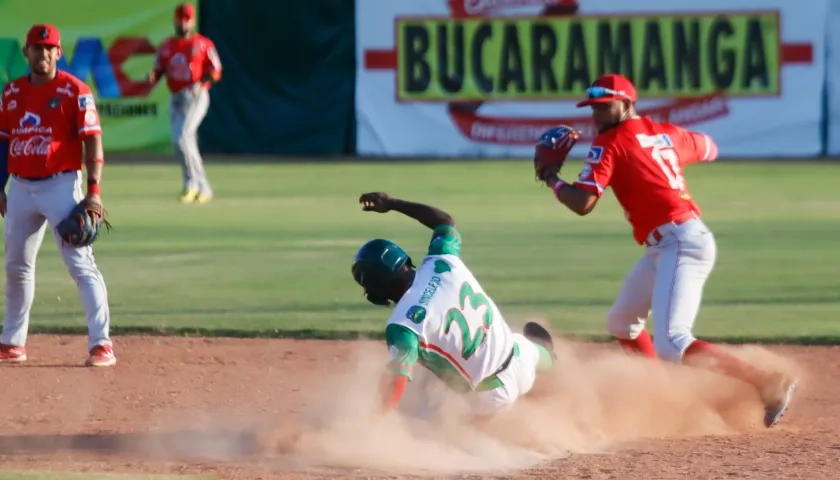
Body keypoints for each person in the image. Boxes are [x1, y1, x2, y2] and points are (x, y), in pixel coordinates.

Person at [534, 73, 796, 428]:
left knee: (673, 341)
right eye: (592, 107)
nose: (596, 114)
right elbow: (708, 147)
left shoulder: (609, 143)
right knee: (622, 322)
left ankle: (768, 383)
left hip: (679, 242)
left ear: (627, 103)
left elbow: (582, 203)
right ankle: (660, 392)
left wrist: (552, 176)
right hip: (671, 242)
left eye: (603, 105)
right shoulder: (667, 133)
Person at [351, 192, 556, 419]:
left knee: (424, 421)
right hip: (520, 359)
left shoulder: (403, 325)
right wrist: (392, 203)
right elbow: (444, 221)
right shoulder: (442, 261)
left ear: (377, 291)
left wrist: (375, 423)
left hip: (489, 399)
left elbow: (396, 379)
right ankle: (546, 355)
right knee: (525, 348)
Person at [0, 24, 115, 367]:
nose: (43, 53)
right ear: (27, 53)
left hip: (60, 185)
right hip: (20, 187)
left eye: (49, 48)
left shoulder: (74, 91)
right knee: (17, 267)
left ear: (59, 53)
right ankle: (12, 341)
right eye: (37, 47)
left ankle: (101, 343)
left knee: (80, 264)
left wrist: (93, 192)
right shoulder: (11, 93)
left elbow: (93, 139)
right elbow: (3, 142)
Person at [147, 2, 222, 204]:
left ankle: (191, 184)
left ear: (193, 22)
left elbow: (216, 70)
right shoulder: (167, 45)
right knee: (186, 142)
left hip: (195, 95)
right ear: (175, 20)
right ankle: (202, 187)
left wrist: (203, 82)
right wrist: (154, 76)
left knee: (181, 138)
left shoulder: (203, 44)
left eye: (187, 21)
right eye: (180, 20)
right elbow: (160, 68)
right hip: (176, 96)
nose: (183, 24)